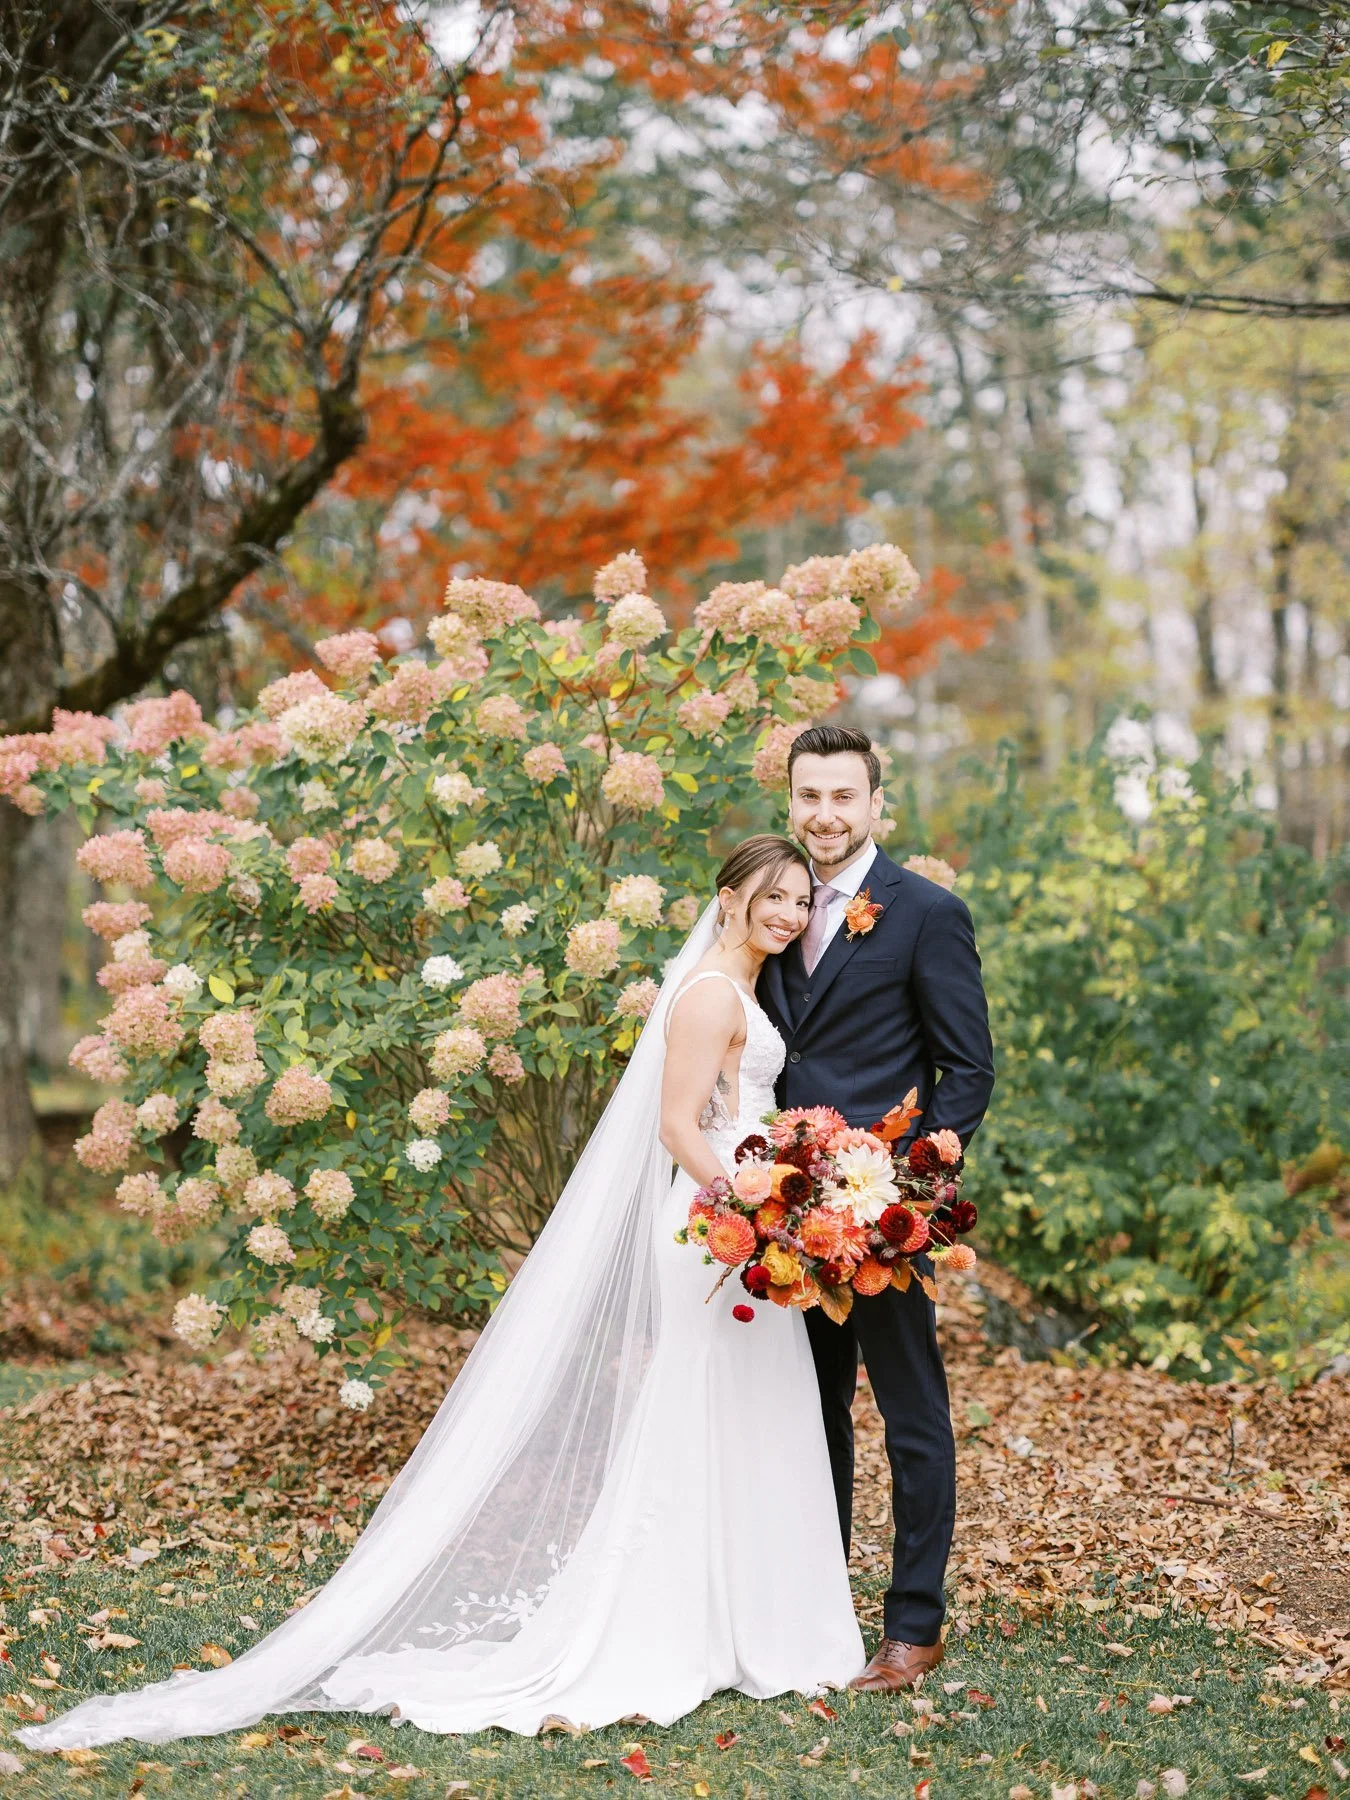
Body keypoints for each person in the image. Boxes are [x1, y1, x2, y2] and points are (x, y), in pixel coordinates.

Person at [17, 833, 864, 1752]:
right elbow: (675, 1126)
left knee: (747, 1417)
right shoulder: (707, 994)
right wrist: (752, 1210)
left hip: (742, 1234)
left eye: (798, 900)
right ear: (730, 896)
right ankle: (684, 1629)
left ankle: (750, 1626)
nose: (786, 912)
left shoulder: (738, 985)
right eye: (771, 896)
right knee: (705, 1418)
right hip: (714, 1237)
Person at [758, 723, 996, 1694]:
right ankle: (813, 1614)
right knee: (804, 1415)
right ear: (791, 803)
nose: (824, 815)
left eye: (842, 797)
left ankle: (913, 1624)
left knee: (910, 1414)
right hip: (783, 1220)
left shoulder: (927, 913)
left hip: (883, 1214)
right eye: (809, 796)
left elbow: (967, 1067)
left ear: (873, 803)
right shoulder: (767, 908)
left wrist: (913, 1194)